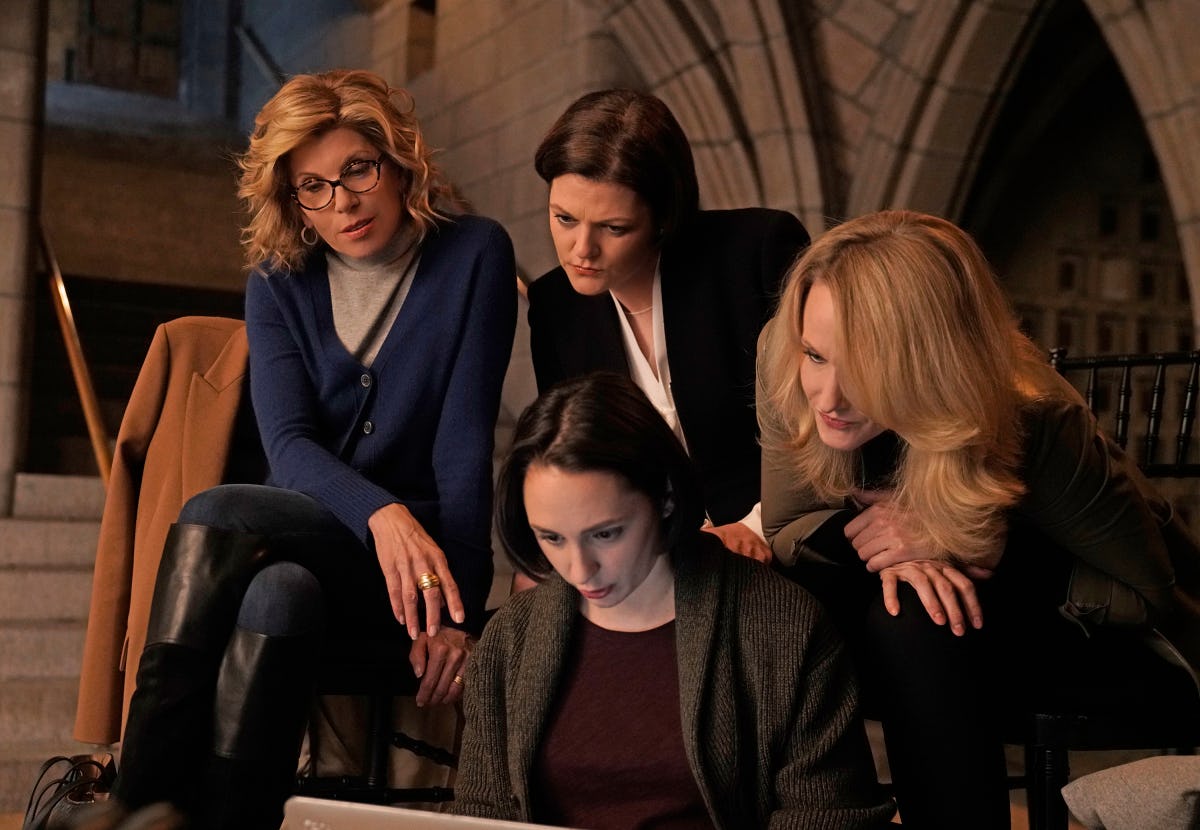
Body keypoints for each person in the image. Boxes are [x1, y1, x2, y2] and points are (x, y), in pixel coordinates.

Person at [109, 69, 516, 828]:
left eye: (358, 170)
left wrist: (454, 610)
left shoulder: (473, 254)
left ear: (398, 160)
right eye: (314, 187)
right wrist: (380, 513)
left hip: (415, 578)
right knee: (277, 595)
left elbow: (464, 445)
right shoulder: (279, 280)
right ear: (291, 198)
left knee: (216, 511)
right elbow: (290, 445)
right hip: (319, 541)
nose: (343, 202)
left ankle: (132, 805)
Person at [756, 209, 1200, 829]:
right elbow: (787, 531)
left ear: (932, 363)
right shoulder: (787, 355)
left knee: (915, 618)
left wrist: (977, 544)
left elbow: (1150, 595)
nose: (827, 397)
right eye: (817, 356)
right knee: (764, 605)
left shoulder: (1036, 420)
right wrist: (897, 550)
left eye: (864, 371)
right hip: (926, 627)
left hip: (1105, 641)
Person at [453, 372, 894, 829]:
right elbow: (482, 814)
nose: (579, 569)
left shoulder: (783, 627)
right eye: (552, 538)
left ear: (664, 497)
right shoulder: (511, 638)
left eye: (605, 534)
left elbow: (827, 817)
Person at [526, 89, 809, 565]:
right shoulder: (555, 305)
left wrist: (755, 526)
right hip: (651, 562)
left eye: (613, 228)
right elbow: (575, 457)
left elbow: (824, 417)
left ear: (663, 218)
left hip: (786, 539)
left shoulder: (757, 252)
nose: (581, 249)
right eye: (564, 219)